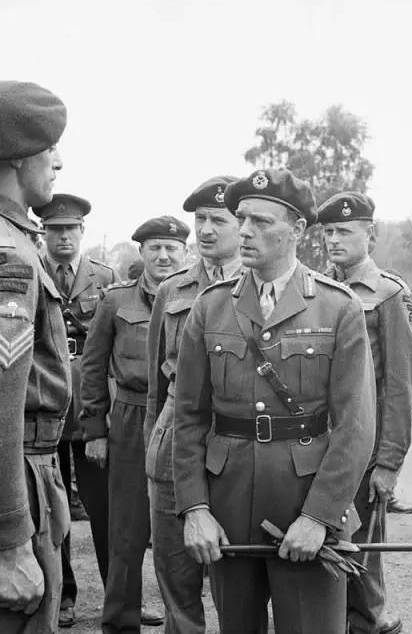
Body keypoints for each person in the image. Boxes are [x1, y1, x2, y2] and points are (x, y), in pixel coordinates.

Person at [172, 168, 376, 634]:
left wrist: (319, 516)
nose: (245, 231)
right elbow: (188, 418)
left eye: (261, 222)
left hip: (305, 499)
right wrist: (195, 508)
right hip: (227, 506)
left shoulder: (338, 307)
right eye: (242, 218)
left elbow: (356, 425)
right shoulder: (210, 306)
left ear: (298, 229)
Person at [318, 191, 412, 634]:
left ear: (370, 235)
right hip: (316, 441)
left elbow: (401, 385)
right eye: (328, 232)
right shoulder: (316, 287)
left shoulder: (389, 295)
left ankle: (370, 622)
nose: (333, 240)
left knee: (360, 548)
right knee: (320, 541)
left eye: (344, 231)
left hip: (364, 447)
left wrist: (389, 462)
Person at [80, 216, 189, 633]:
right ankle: (121, 621)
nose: (163, 256)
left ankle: (185, 618)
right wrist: (95, 430)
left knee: (183, 522)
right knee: (126, 527)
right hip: (130, 415)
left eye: (171, 248)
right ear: (141, 252)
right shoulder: (115, 300)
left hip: (181, 415)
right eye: (154, 248)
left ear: (185, 253)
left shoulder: (200, 296)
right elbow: (92, 366)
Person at [145, 176, 242, 633]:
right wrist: (151, 449)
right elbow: (155, 385)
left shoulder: (260, 288)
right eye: (200, 219)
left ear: (242, 225)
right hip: (173, 443)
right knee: (177, 576)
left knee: (236, 579)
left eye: (217, 220)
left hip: (235, 443)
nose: (205, 230)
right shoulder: (173, 291)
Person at [0, 80, 71, 632]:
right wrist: (11, 540)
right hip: (18, 467)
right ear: (21, 158)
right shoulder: (11, 253)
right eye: (49, 151)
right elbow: (2, 403)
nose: (57, 163)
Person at [36, 193, 116, 628]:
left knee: (103, 507)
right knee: (52, 508)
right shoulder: (31, 270)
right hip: (45, 400)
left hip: (90, 404)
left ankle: (118, 596)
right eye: (54, 230)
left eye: (70, 229)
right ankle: (63, 595)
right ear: (43, 233)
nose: (63, 237)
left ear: (82, 231)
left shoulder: (104, 277)